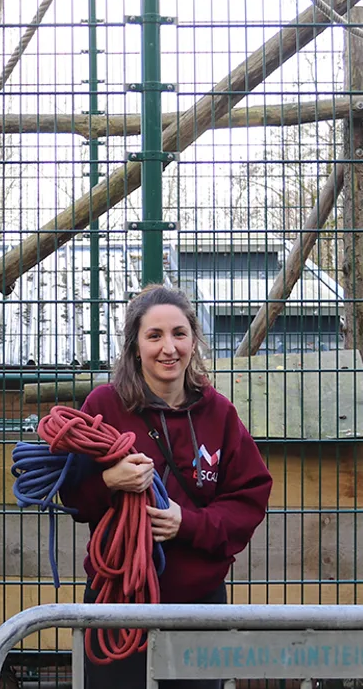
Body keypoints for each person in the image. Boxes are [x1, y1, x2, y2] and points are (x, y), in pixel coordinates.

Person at [60, 284, 272, 689]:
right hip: (117, 603)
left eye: (178, 333)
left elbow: (250, 497)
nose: (168, 347)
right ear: (135, 346)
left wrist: (186, 523)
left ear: (193, 340)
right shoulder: (103, 406)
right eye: (154, 336)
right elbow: (72, 496)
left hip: (198, 605)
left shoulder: (219, 413)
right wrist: (109, 482)